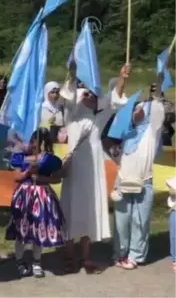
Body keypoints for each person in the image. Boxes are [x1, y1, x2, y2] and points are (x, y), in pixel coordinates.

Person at [60, 63, 130, 274]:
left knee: (90, 211)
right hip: (74, 168)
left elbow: (114, 98)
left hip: (93, 169)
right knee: (72, 209)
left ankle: (86, 257)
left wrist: (122, 77)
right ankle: (69, 255)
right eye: (86, 95)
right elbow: (68, 95)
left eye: (92, 95)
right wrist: (72, 73)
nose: (89, 97)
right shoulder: (72, 115)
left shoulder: (99, 118)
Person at [112, 80, 165, 270]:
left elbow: (158, 110)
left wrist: (157, 91)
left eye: (142, 110)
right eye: (135, 110)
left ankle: (135, 255)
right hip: (123, 180)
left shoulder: (152, 131)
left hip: (144, 181)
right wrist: (122, 79)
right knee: (121, 220)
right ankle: (120, 253)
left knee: (139, 221)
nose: (138, 112)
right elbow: (117, 103)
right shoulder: (126, 132)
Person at [6, 128, 66, 278]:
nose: (34, 144)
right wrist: (28, 173)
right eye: (33, 141)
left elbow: (57, 178)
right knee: (22, 230)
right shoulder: (20, 157)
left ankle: (37, 261)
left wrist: (41, 179)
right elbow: (16, 177)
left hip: (43, 195)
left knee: (40, 229)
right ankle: (19, 260)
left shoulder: (50, 160)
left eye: (40, 142)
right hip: (25, 195)